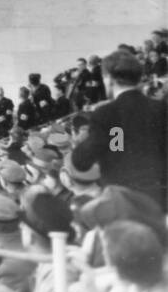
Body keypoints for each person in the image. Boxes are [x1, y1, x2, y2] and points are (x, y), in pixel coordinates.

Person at [71, 48, 168, 210]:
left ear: (108, 79)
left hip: (124, 203)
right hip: (161, 199)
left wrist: (82, 143)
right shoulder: (161, 109)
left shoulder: (107, 113)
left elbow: (83, 162)